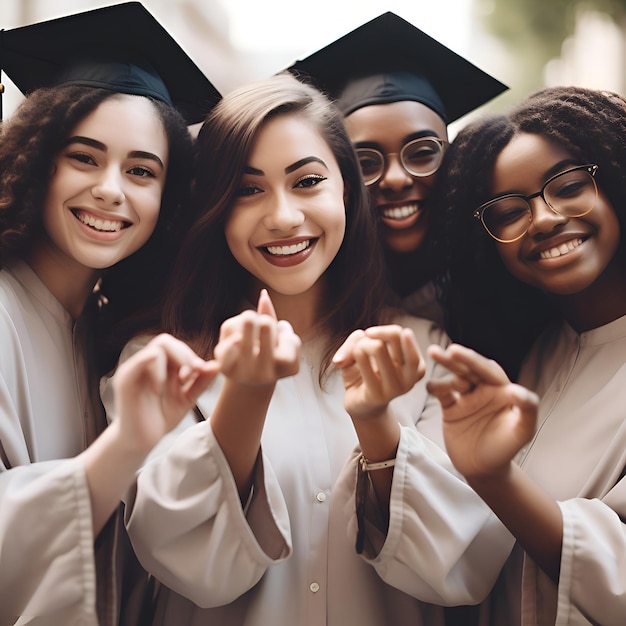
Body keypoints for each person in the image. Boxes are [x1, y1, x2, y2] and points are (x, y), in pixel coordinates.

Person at [99, 72, 495, 626]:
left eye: (307, 181)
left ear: (349, 193)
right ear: (215, 208)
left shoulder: (424, 350)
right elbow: (190, 569)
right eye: (248, 188)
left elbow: (458, 565)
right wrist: (244, 397)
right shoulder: (161, 361)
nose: (283, 216)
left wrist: (378, 424)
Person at [0, 3, 221, 625]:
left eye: (142, 171)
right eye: (85, 157)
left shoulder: (102, 325)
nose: (111, 190)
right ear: (37, 158)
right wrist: (125, 445)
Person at [423, 85, 626, 624]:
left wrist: (495, 479)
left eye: (569, 185)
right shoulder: (533, 356)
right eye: (509, 211)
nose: (542, 219)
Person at [287, 12, 507, 323]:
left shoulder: (506, 279)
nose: (396, 179)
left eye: (421, 153)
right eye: (364, 161)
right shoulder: (310, 296)